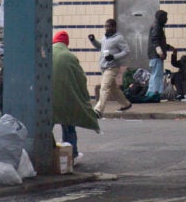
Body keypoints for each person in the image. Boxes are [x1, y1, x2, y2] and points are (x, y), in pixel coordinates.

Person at [52, 31, 99, 165]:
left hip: (47, 100)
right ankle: (71, 155)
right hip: (66, 99)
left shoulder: (45, 53)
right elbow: (81, 79)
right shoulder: (69, 56)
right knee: (69, 124)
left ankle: (47, 153)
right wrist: (85, 98)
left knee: (46, 126)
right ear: (66, 43)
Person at [89, 18, 132, 116]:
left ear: (114, 27)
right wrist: (93, 40)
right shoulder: (105, 37)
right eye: (106, 26)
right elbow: (100, 46)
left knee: (104, 87)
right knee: (113, 89)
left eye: (109, 26)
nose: (107, 28)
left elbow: (126, 51)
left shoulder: (119, 38)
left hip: (112, 67)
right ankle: (126, 104)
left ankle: (98, 110)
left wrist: (114, 57)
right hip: (104, 67)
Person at [146, 10, 172, 97]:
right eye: (165, 17)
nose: (166, 19)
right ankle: (155, 93)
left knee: (155, 74)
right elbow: (155, 40)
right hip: (156, 55)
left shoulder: (157, 26)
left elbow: (159, 41)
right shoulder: (157, 26)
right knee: (157, 74)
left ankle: (152, 92)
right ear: (161, 18)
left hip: (154, 55)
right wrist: (160, 52)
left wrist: (168, 47)